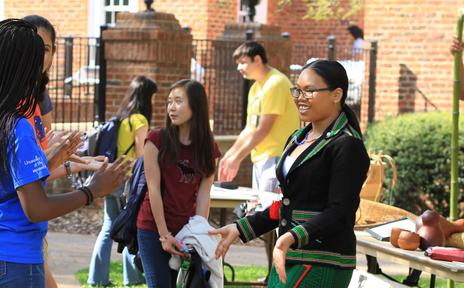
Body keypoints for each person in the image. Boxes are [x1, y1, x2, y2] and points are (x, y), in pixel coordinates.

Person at [0, 19, 132, 288]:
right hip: (10, 260)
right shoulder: (16, 127)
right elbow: (36, 208)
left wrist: (50, 160)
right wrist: (92, 191)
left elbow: (0, 182)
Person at [210, 60, 370, 287]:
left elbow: (340, 212)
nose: (300, 97)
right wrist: (241, 227)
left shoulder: (347, 145)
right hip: (288, 254)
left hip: (322, 260)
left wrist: (291, 237)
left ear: (336, 95)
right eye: (298, 90)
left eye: (310, 90)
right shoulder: (297, 138)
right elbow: (287, 204)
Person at [136, 79, 220, 287]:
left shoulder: (209, 148)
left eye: (178, 101)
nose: (171, 107)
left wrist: (197, 233)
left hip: (186, 232)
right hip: (152, 229)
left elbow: (203, 194)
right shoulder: (156, 140)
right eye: (169, 102)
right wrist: (164, 235)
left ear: (196, 106)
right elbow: (153, 188)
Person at [88, 75, 157, 286]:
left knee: (110, 227)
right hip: (126, 180)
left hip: (112, 176)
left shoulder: (123, 117)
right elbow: (141, 153)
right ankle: (129, 277)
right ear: (147, 97)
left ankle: (99, 277)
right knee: (126, 226)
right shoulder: (140, 120)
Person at [218, 41, 299, 193]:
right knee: (260, 211)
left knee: (269, 212)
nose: (239, 68)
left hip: (277, 157)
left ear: (257, 59)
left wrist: (237, 158)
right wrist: (230, 155)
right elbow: (250, 128)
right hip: (261, 159)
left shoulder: (275, 83)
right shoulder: (256, 88)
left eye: (243, 63)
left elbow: (264, 128)